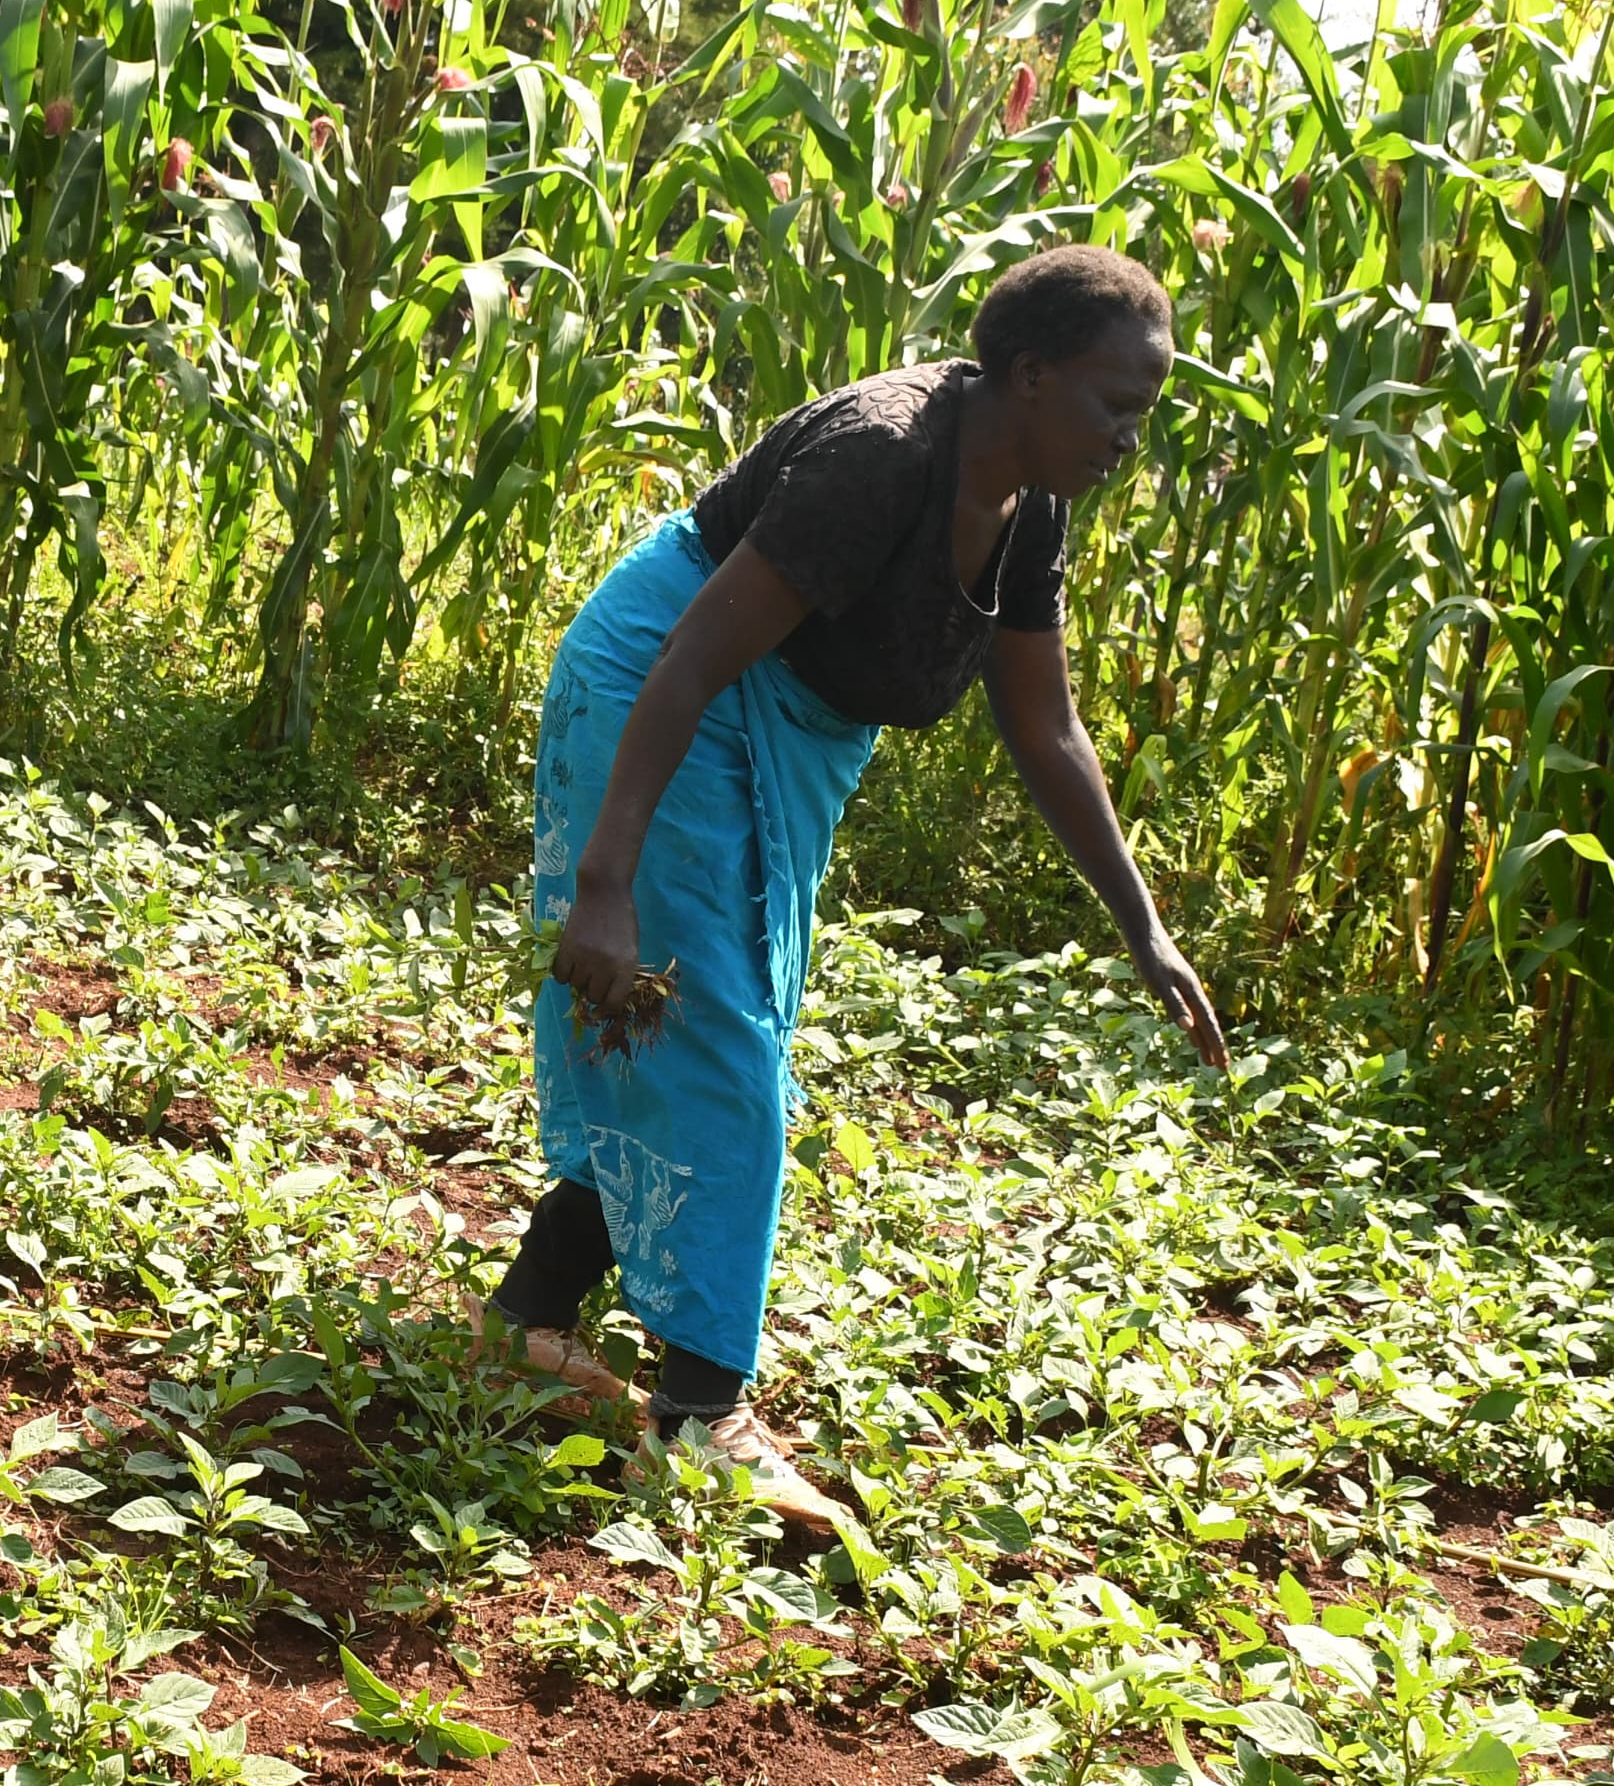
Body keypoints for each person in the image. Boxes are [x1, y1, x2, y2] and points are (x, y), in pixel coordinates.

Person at [478, 243, 1228, 1526]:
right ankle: (700, 1416)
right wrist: (605, 880)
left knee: (697, 1025)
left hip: (776, 730)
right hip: (664, 695)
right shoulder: (881, 456)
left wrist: (1142, 924)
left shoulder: (1027, 499)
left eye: (1143, 414)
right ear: (1031, 375)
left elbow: (1045, 728)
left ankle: (528, 1316)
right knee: (720, 1043)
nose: (1127, 439)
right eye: (1116, 404)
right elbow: (689, 658)